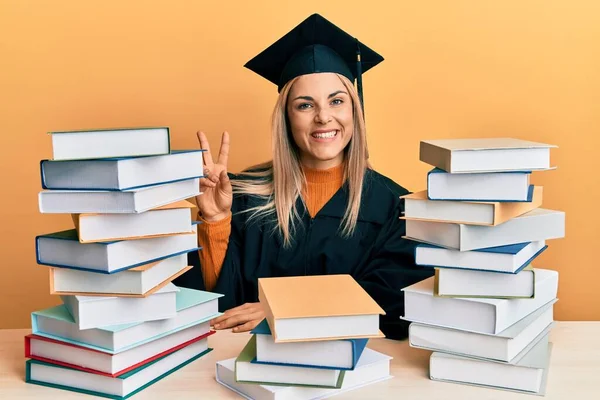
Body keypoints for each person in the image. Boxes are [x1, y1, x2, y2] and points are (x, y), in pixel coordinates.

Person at [173, 13, 433, 340]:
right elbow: (213, 307)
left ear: (354, 110)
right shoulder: (241, 198)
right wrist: (215, 221)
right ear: (286, 117)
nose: (324, 117)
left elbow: (395, 305)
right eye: (305, 105)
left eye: (336, 101)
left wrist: (284, 308)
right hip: (249, 366)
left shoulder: (396, 208)